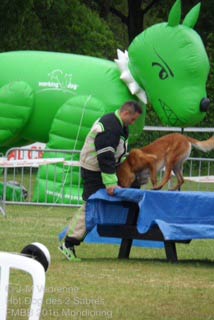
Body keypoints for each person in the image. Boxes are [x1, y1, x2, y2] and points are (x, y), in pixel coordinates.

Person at [59, 100, 143, 261]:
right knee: (90, 205)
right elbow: (105, 156)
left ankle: (132, 225)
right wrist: (111, 183)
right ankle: (69, 242)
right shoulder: (110, 126)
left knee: (134, 186)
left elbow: (115, 154)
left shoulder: (119, 124)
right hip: (95, 169)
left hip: (104, 168)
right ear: (126, 113)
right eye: (133, 120)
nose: (133, 123)